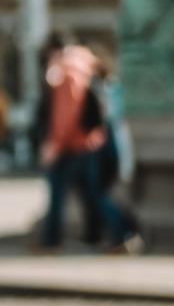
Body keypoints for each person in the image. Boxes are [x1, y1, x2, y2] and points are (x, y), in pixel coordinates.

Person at [38, 41, 138, 253]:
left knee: (70, 193)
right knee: (93, 193)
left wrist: (54, 146)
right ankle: (119, 233)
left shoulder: (67, 72)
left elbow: (65, 116)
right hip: (92, 142)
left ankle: (52, 240)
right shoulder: (85, 66)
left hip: (75, 145)